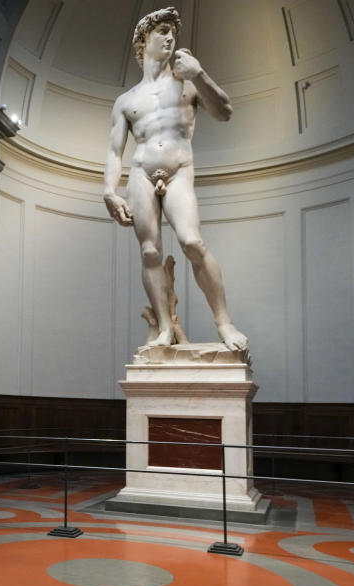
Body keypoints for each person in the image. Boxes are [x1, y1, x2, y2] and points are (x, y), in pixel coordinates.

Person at [103, 7, 248, 352]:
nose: (171, 37)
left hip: (179, 170)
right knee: (150, 251)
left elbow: (224, 112)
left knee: (192, 242)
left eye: (173, 32)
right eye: (163, 31)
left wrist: (200, 75)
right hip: (140, 172)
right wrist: (109, 190)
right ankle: (165, 328)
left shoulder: (187, 83)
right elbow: (114, 152)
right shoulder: (126, 100)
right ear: (143, 40)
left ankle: (224, 323)